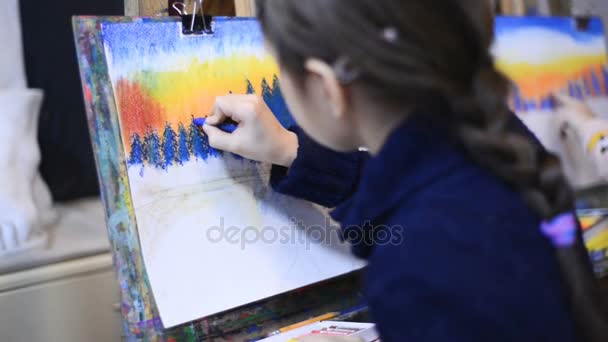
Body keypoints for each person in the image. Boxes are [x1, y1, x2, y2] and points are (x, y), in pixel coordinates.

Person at [202, 0, 608, 341]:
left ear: (326, 86)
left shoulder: (419, 271)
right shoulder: (493, 145)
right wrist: (291, 150)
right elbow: (418, 192)